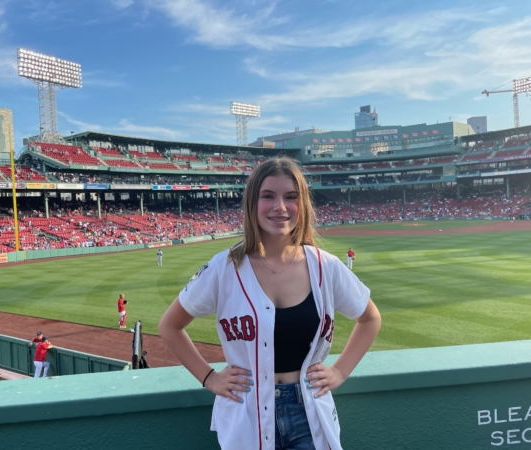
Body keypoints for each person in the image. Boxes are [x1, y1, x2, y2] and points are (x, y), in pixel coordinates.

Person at [159, 157, 381, 450]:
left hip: (309, 410)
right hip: (246, 411)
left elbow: (370, 318)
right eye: (268, 196)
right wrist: (209, 378)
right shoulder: (224, 268)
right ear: (252, 203)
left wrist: (340, 371)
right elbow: (170, 326)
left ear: (303, 205)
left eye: (291, 197)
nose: (280, 206)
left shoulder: (325, 266)